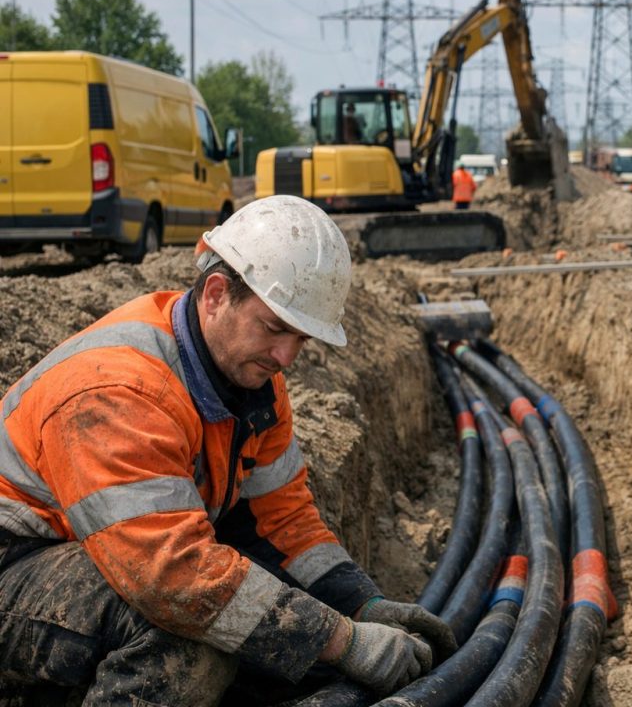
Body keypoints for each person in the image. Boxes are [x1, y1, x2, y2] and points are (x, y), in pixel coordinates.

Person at [0, 195, 457, 705]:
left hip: (98, 553)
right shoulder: (118, 391)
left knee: (269, 635)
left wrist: (361, 604)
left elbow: (280, 522)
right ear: (216, 294)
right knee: (189, 640)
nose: (286, 356)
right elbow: (170, 577)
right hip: (15, 564)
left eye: (301, 339)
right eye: (275, 328)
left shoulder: (253, 381)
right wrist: (342, 641)